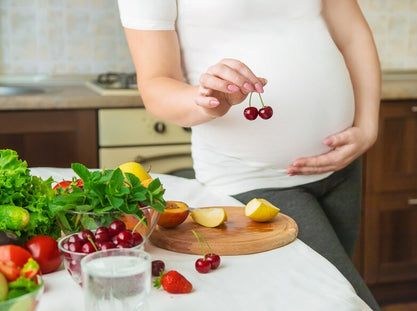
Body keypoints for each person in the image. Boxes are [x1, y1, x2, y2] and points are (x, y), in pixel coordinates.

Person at [117, 0, 381, 310]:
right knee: (347, 303)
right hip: (253, 180)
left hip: (343, 168)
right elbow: (155, 84)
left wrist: (368, 126)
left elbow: (353, 34)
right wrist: (204, 100)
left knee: (328, 294)